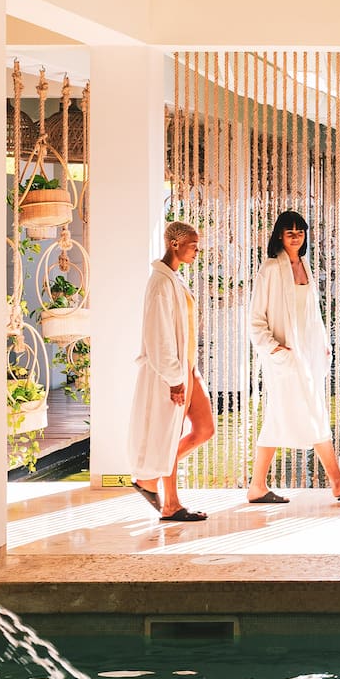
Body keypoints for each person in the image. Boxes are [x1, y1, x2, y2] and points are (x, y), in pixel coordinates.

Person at [246, 210, 340, 504]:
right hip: (286, 358)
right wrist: (275, 349)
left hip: (307, 354)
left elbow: (311, 314)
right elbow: (255, 319)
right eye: (289, 232)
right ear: (279, 235)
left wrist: (323, 343)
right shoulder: (270, 269)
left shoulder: (304, 265)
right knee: (308, 413)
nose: (295, 237)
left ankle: (258, 486)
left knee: (281, 417)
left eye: (300, 232)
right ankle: (338, 481)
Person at [124, 221, 215, 522]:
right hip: (171, 374)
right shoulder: (161, 284)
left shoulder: (173, 279)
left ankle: (149, 479)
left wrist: (189, 371)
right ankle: (171, 503)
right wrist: (175, 379)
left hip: (187, 368)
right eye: (193, 246)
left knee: (205, 429)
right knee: (169, 432)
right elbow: (159, 338)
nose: (197, 252)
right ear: (175, 244)